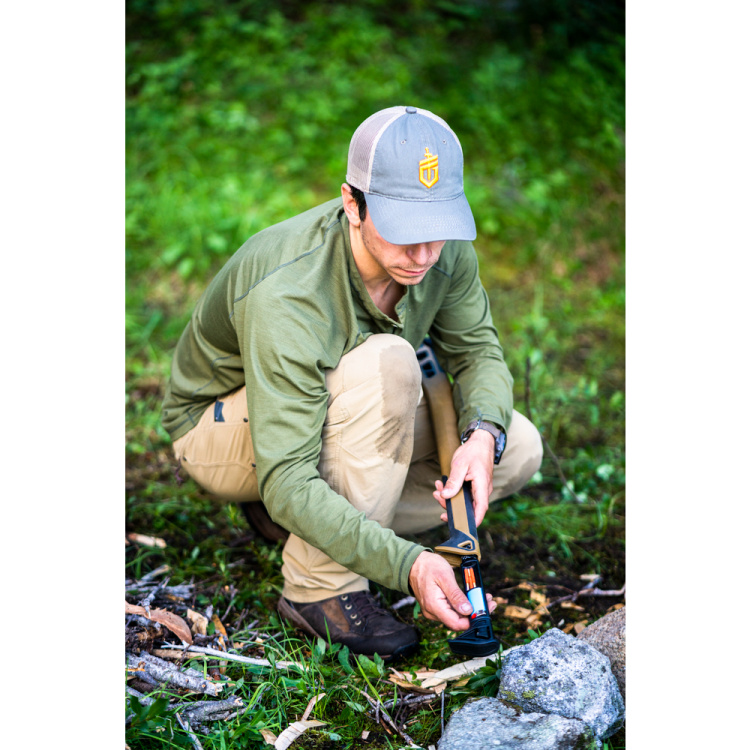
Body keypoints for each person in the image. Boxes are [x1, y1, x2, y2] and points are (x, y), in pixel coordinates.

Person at [162, 105, 543, 660]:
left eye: (437, 230)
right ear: (352, 204)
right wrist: (406, 564)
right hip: (220, 430)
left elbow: (478, 351)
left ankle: (318, 521)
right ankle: (321, 589)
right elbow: (288, 473)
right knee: (388, 364)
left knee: (518, 447)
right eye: (405, 232)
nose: (424, 255)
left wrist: (482, 435)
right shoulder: (289, 293)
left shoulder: (443, 251)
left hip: (337, 411)